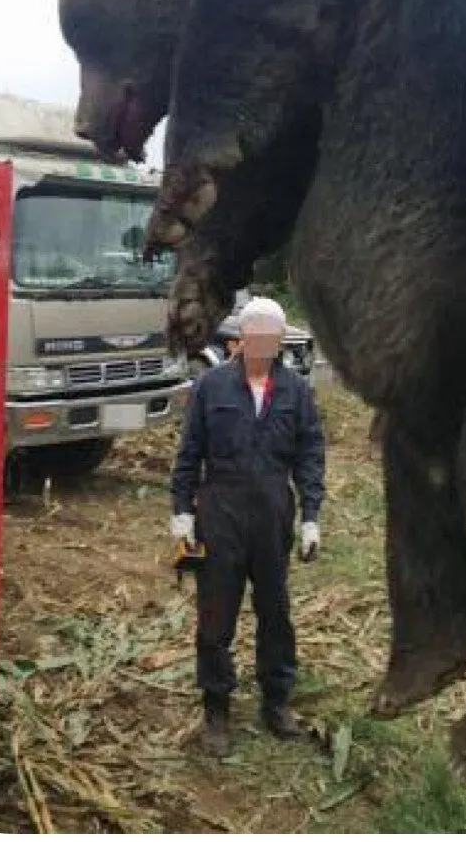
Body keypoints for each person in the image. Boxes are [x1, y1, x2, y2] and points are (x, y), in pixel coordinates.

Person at [170, 296, 326, 756]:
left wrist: (311, 517)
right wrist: (181, 514)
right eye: (255, 335)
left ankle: (276, 702)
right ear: (242, 337)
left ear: (277, 341)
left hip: (273, 511)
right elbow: (188, 454)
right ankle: (216, 708)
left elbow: (310, 454)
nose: (263, 345)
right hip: (219, 511)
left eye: (271, 338)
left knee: (276, 612)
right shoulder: (212, 387)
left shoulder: (295, 390)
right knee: (216, 614)